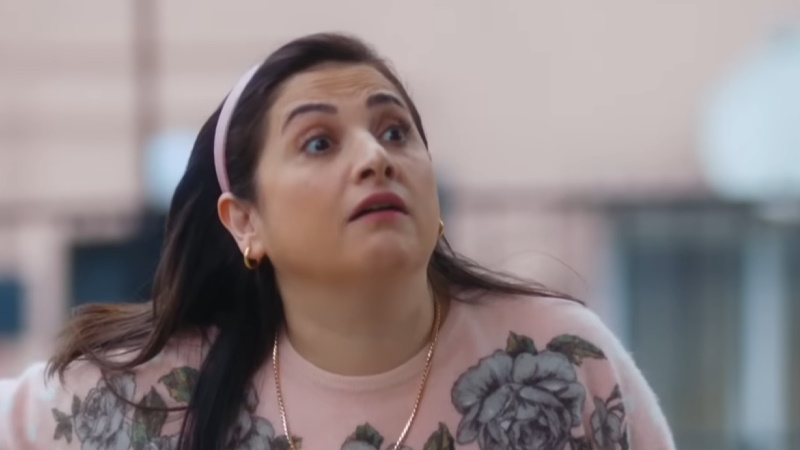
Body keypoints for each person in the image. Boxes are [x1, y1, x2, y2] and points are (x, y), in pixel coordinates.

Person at [0, 33, 674, 450]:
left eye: (395, 132)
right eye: (319, 142)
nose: (375, 158)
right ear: (245, 222)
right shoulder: (148, 396)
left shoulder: (562, 358)